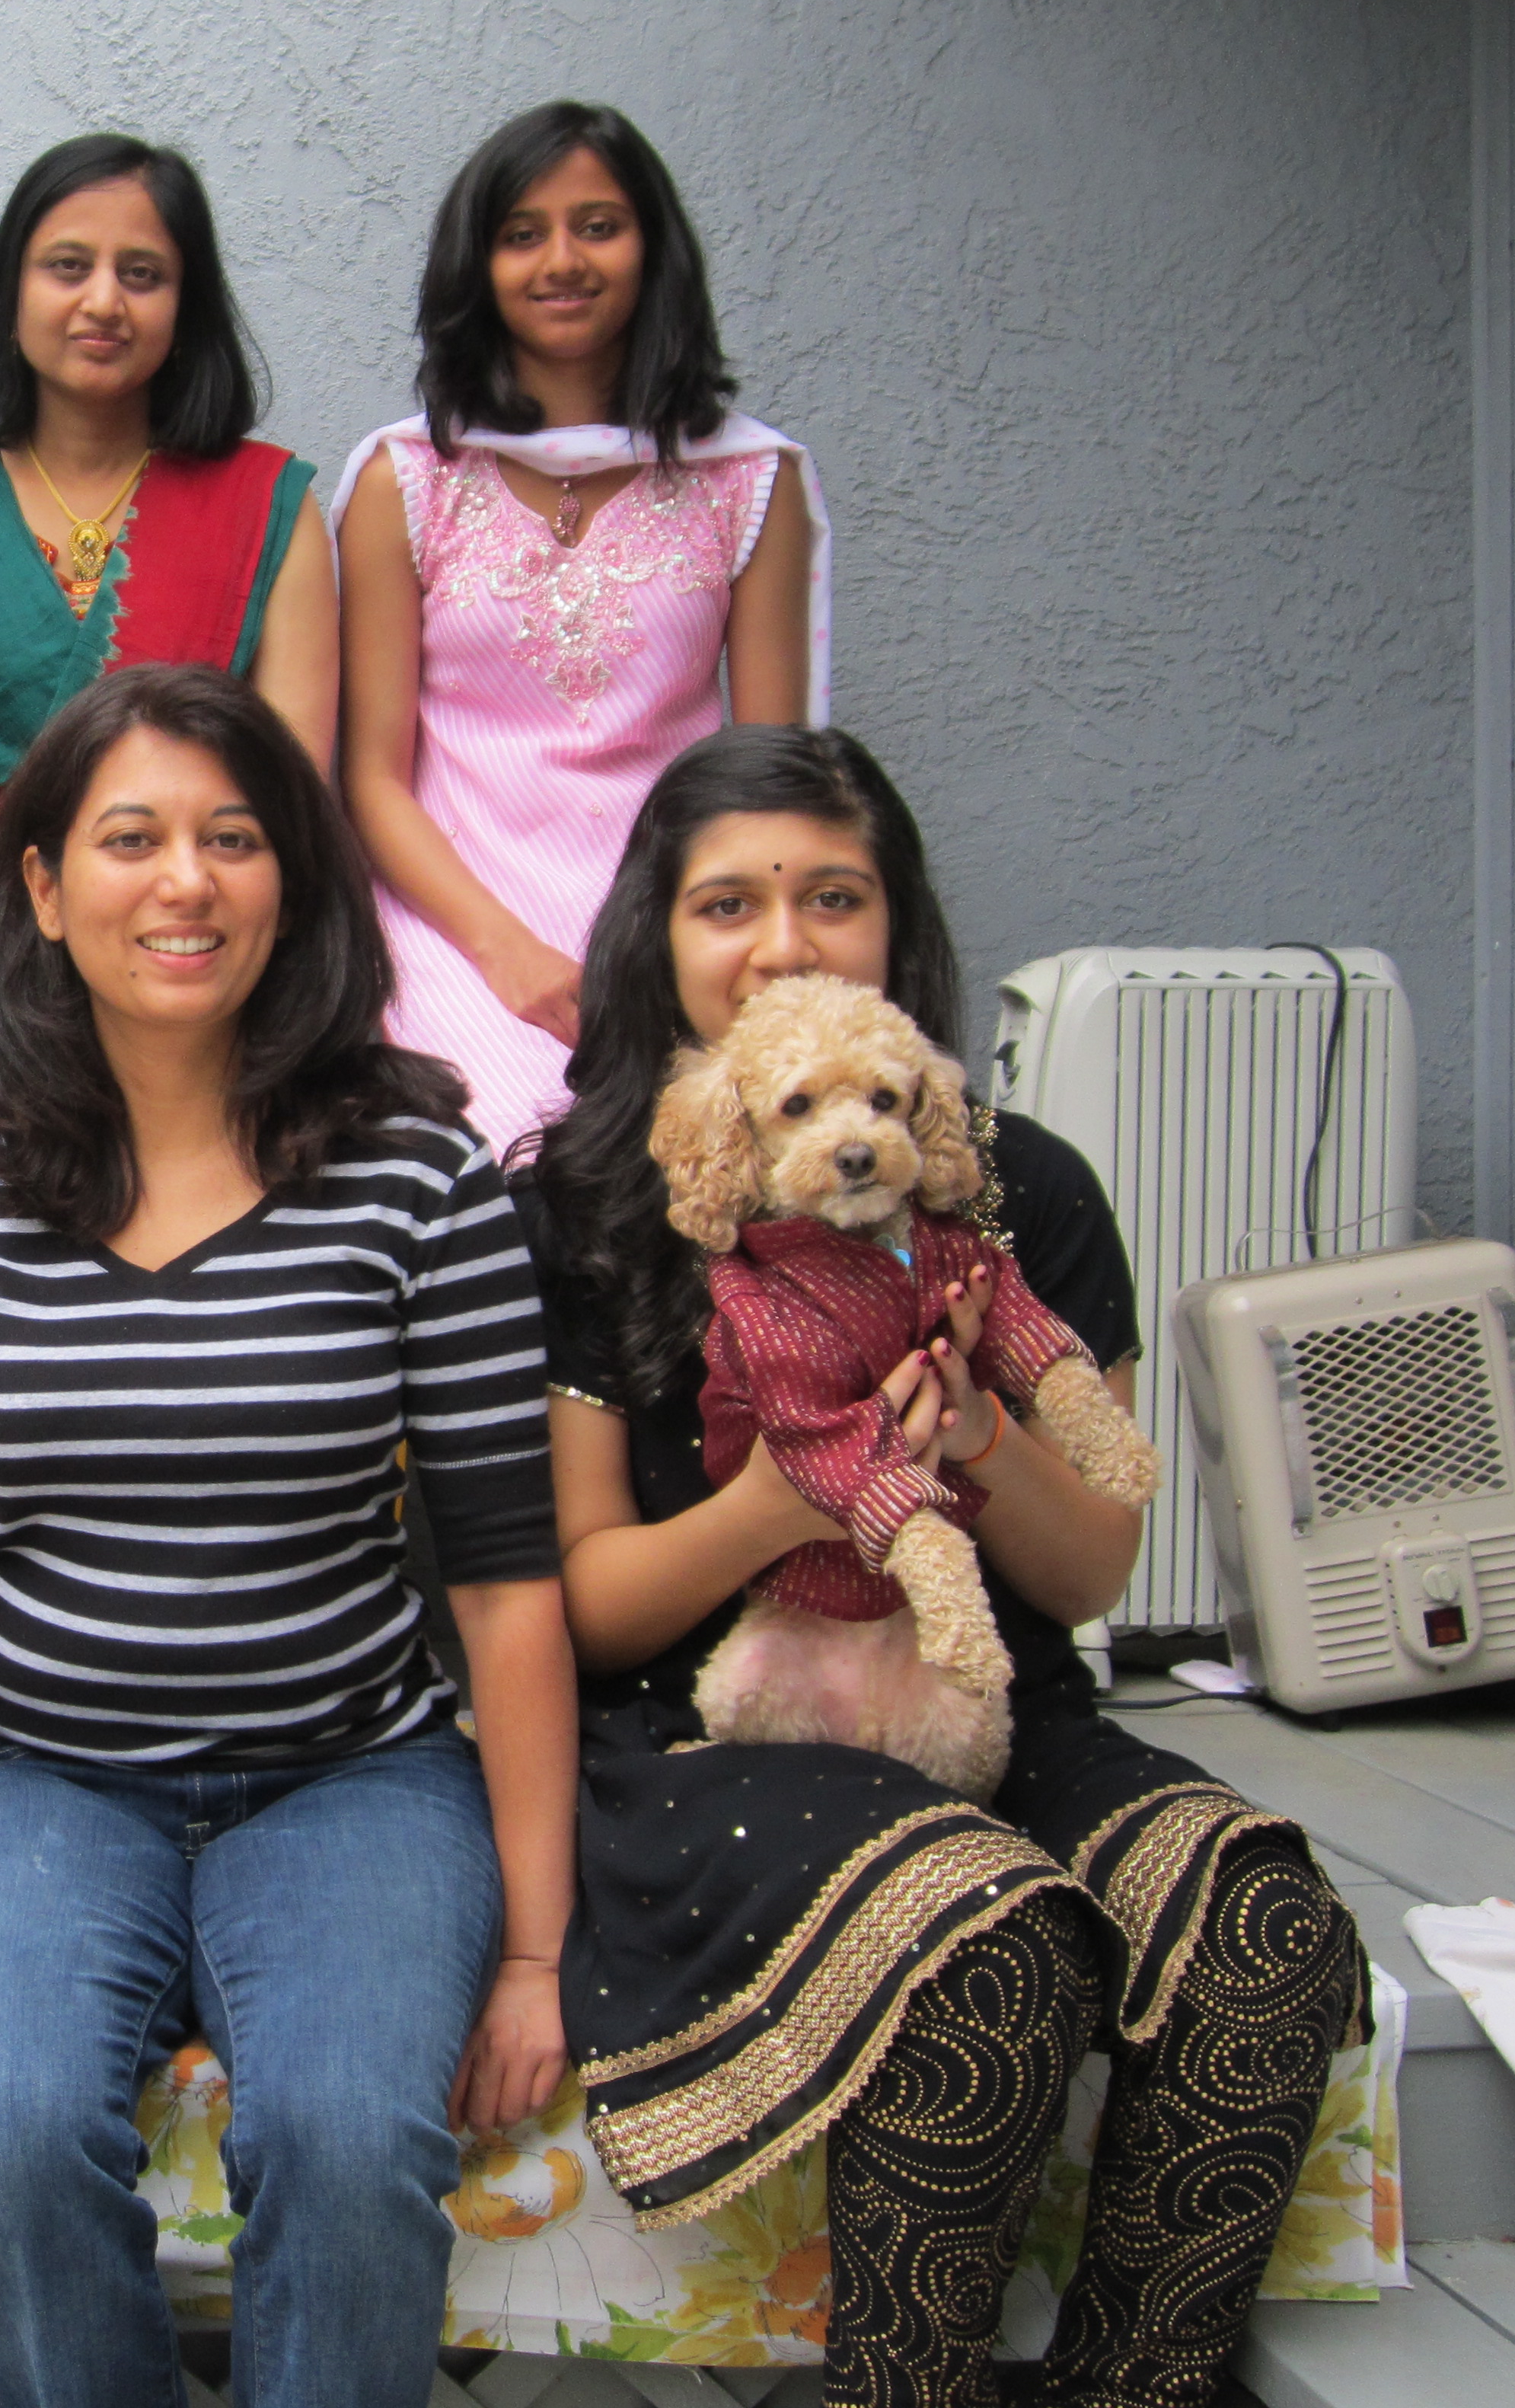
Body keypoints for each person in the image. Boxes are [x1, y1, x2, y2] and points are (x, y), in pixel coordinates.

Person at [521, 725, 1365, 2406]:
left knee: (1266, 1932)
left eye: (834, 897)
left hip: (989, 1697)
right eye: (728, 903)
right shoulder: (583, 1202)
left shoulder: (1017, 1187)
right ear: (653, 938)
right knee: (983, 1945)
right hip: (714, 1731)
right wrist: (784, 1505)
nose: (785, 943)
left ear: (897, 928)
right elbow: (586, 1609)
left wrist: (980, 1437)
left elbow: (1095, 1569)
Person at [0, 664, 576, 2406]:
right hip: (31, 1776)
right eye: (131, 838)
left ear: (291, 882)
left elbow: (506, 1586)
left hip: (351, 1778)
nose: (186, 882)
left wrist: (534, 1953)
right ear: (40, 885)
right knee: (2, 2135)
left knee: (348, 2137)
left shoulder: (418, 1177)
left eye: (234, 838)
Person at [337, 101, 825, 1151]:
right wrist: (503, 952)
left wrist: (686, 953)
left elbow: (769, 784)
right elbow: (371, 777)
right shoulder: (406, 479)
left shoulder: (748, 480)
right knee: (471, 1163)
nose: (562, 260)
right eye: (523, 234)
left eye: (598, 226)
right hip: (450, 930)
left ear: (654, 249)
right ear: (478, 265)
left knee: (678, 1172)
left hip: (676, 921)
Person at [0, 136, 336, 799]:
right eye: (68, 267)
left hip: (194, 865)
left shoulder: (267, 506)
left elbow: (293, 799)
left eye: (141, 274)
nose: (104, 302)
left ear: (186, 308)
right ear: (11, 296)